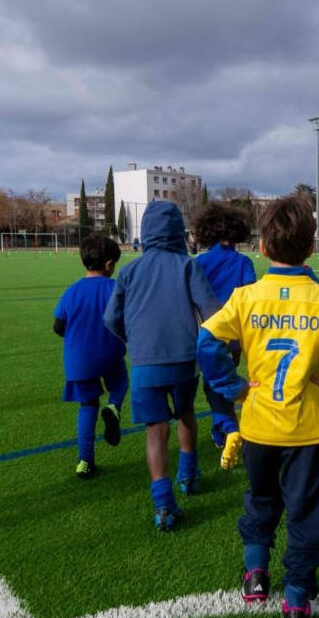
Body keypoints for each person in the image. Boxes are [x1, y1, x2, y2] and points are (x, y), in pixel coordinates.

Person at [196, 197, 319, 618]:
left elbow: (206, 342)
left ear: (264, 247)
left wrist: (232, 387)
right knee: (307, 512)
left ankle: (255, 573)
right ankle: (296, 595)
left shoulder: (246, 297)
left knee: (260, 497)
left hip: (257, 423)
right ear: (310, 247)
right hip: (307, 427)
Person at [103, 201, 220, 531]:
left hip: (144, 362)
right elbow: (212, 313)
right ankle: (189, 474)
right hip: (183, 358)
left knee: (155, 432)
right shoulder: (188, 266)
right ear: (177, 231)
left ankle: (164, 504)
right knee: (185, 415)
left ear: (146, 232)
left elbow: (111, 318)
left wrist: (134, 340)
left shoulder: (128, 271)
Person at [53, 234, 127, 479]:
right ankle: (114, 408)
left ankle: (84, 461)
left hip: (78, 357)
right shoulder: (114, 287)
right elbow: (124, 319)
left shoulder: (72, 291)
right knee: (120, 382)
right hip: (109, 351)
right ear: (108, 265)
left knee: (87, 405)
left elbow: (58, 325)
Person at [192, 202, 257, 469]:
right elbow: (252, 298)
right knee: (225, 379)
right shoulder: (243, 262)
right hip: (234, 334)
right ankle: (224, 429)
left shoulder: (200, 262)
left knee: (212, 384)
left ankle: (227, 428)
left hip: (205, 333)